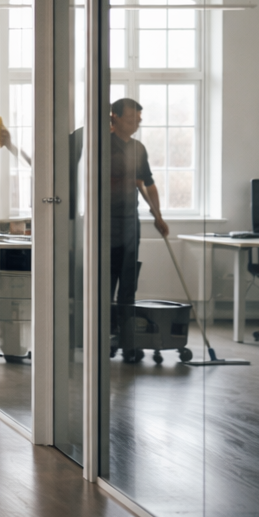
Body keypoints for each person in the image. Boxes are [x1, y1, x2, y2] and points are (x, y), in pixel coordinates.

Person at [110, 98, 169, 353]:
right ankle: (102, 336)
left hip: (130, 221)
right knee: (104, 281)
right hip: (103, 222)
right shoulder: (100, 143)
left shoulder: (138, 148)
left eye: (138, 121)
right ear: (114, 117)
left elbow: (148, 183)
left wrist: (158, 215)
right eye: (131, 120)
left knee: (128, 281)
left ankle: (128, 340)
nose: (136, 125)